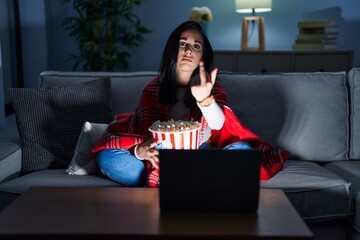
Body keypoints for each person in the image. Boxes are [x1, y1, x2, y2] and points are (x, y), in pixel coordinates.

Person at [92, 21, 270, 188]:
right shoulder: (152, 89)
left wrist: (204, 99)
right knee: (107, 157)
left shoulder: (211, 88)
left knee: (243, 151)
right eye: (182, 44)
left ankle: (177, 181)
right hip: (160, 157)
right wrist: (139, 151)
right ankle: (194, 181)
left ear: (202, 58)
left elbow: (219, 123)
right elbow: (142, 132)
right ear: (172, 50)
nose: (188, 50)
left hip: (201, 155)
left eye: (196, 46)